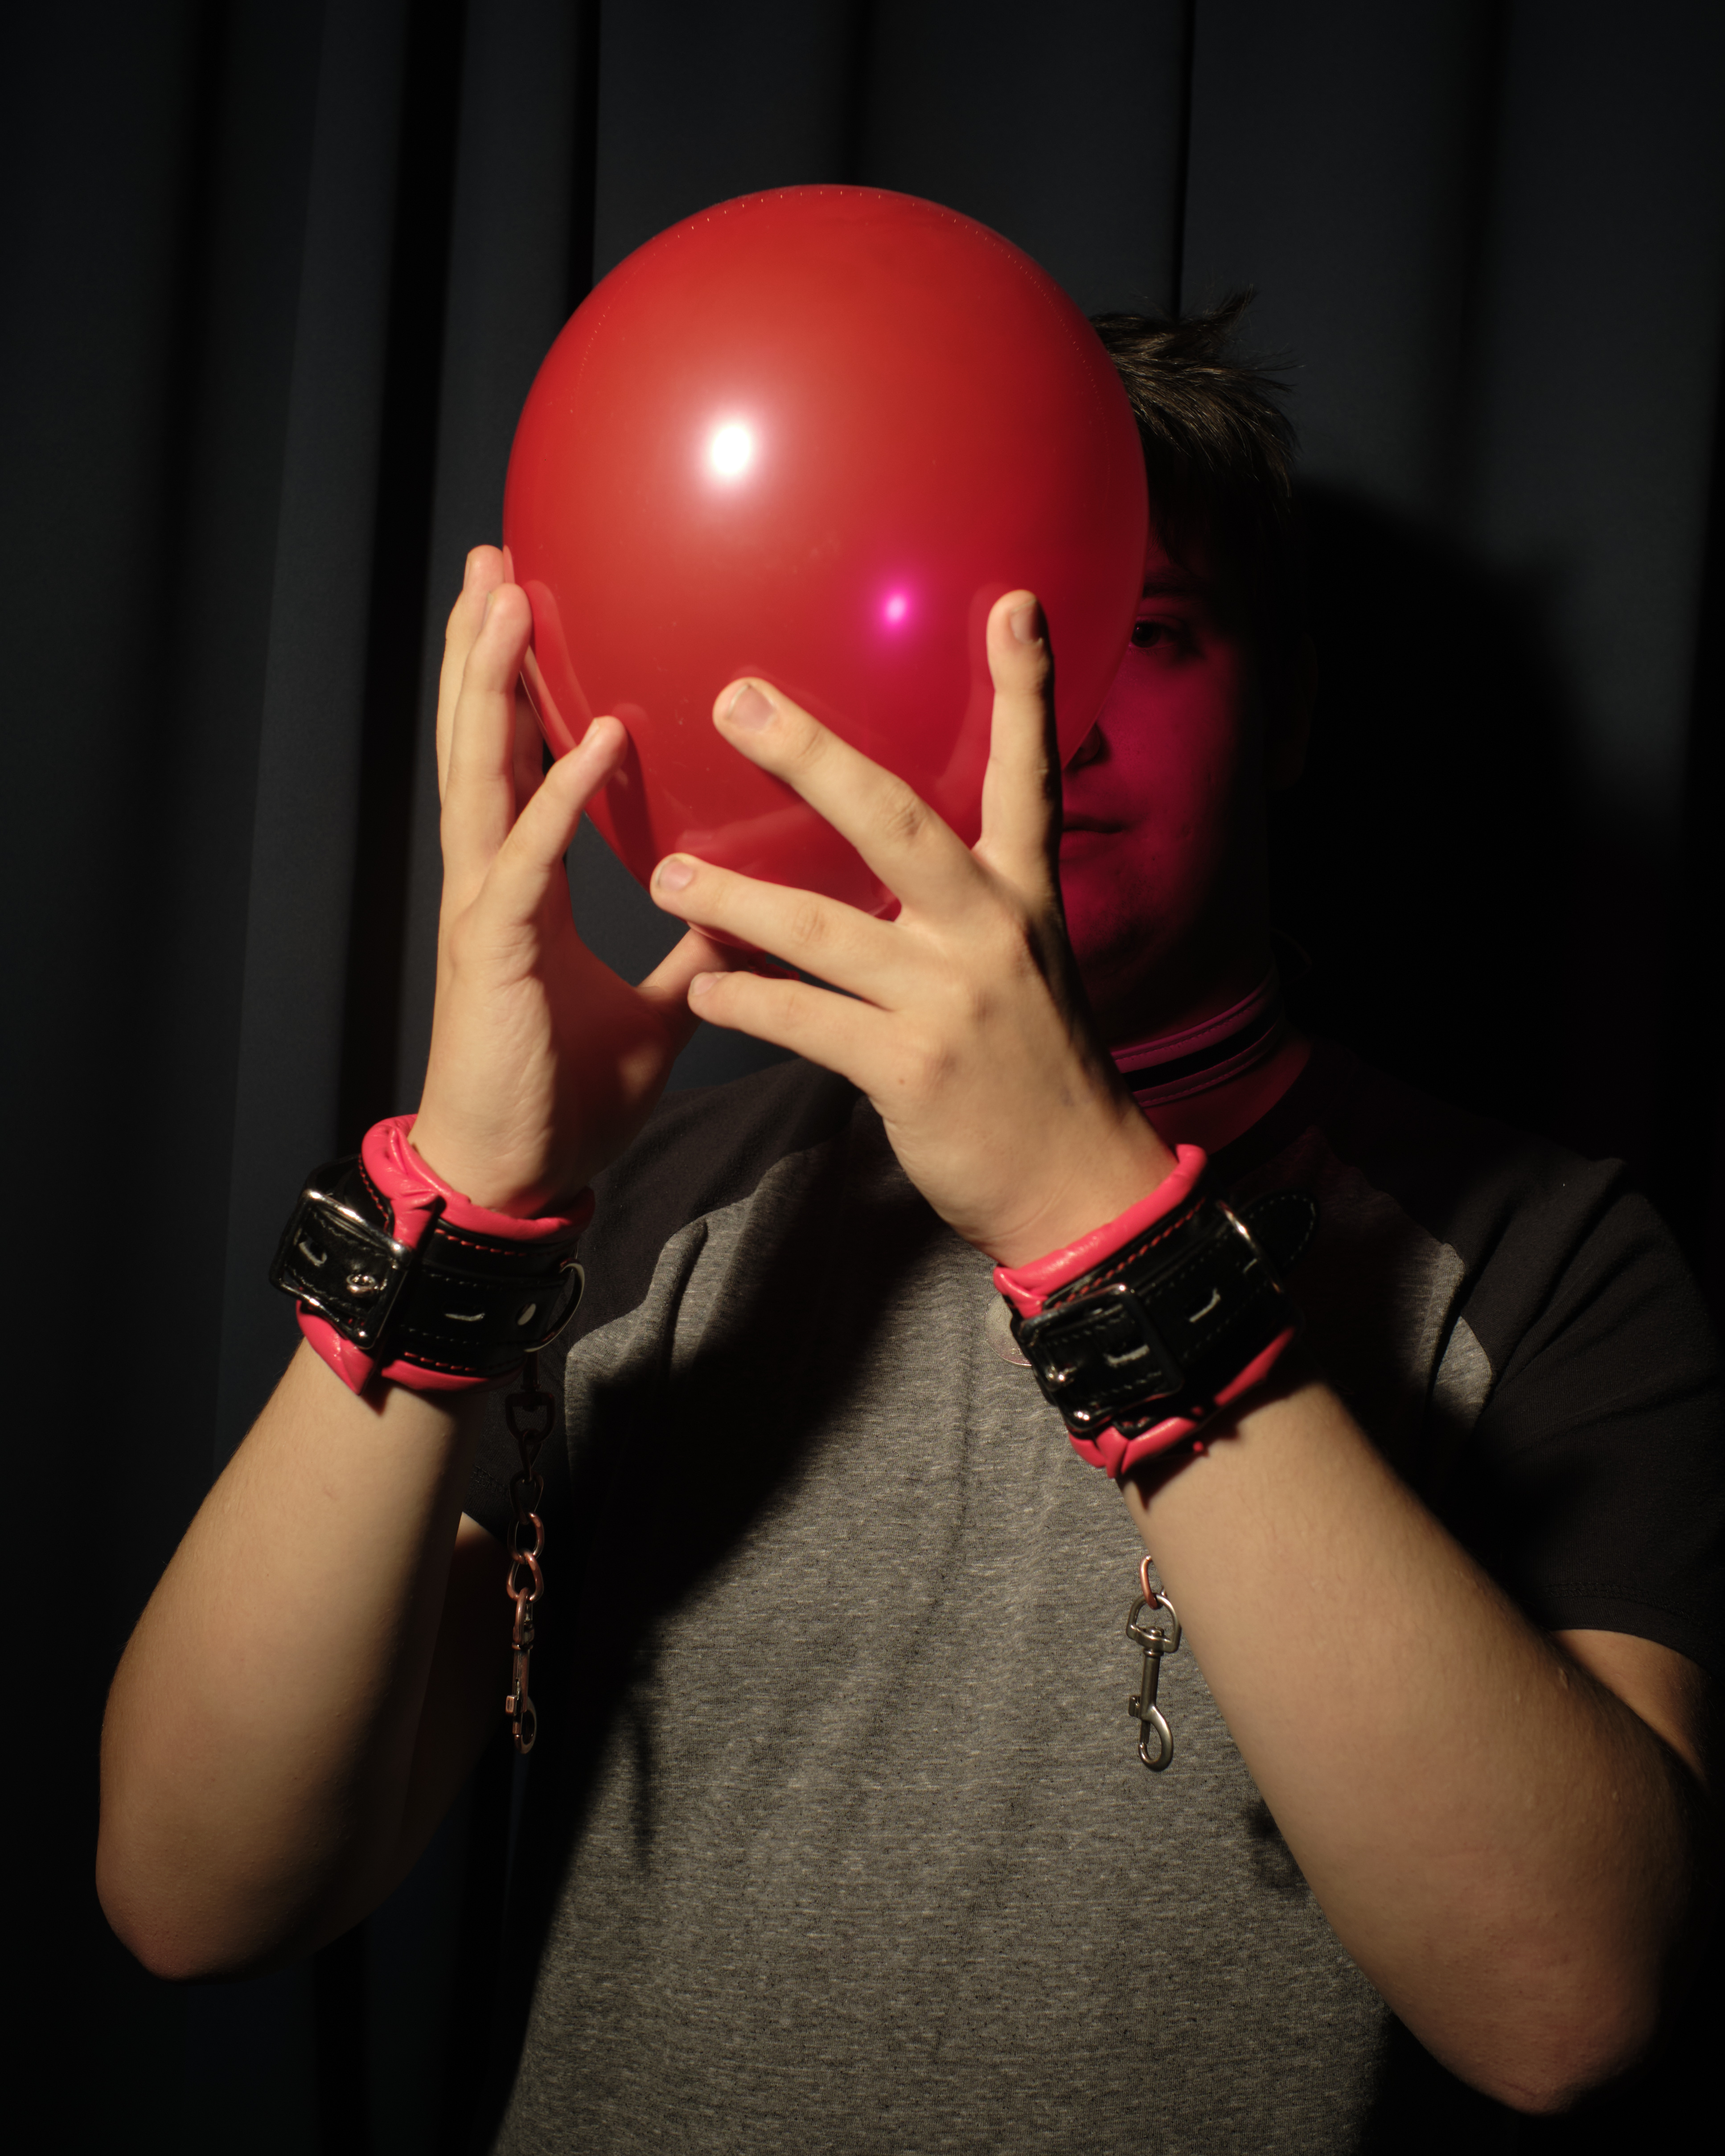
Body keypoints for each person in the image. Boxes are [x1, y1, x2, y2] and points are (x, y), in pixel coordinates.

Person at [98, 301, 1723, 2151]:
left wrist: (1089, 1218)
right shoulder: (668, 1219)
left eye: (1146, 630)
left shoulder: (1548, 1264)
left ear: (1287, 705)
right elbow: (194, 1887)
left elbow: (1564, 2003)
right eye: (979, 638)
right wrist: (469, 1198)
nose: (1055, 716)